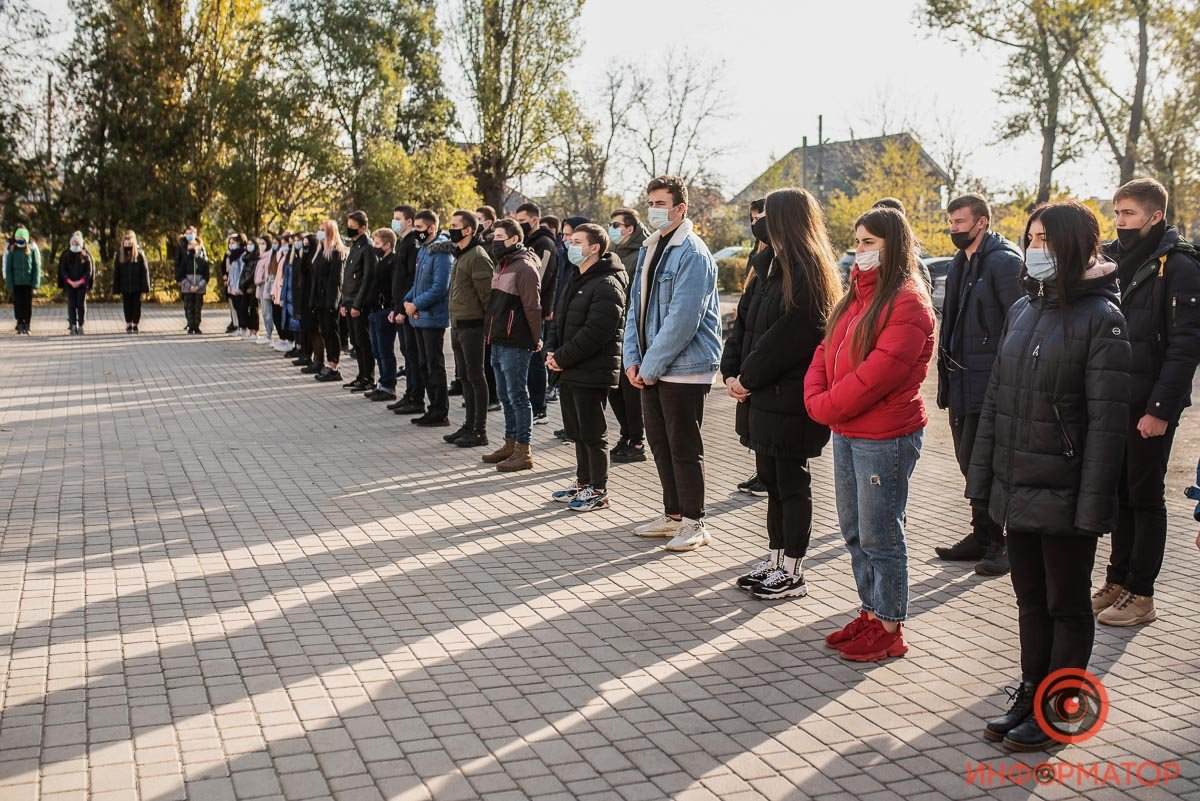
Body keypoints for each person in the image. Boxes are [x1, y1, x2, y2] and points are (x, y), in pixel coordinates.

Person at [967, 201, 1131, 751]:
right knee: (1029, 599)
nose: (1036, 250)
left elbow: (1108, 428)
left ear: (1080, 247)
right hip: (1019, 486)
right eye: (1031, 238)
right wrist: (985, 480)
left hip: (1065, 492)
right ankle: (1032, 689)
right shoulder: (1024, 309)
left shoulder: (1103, 319)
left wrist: (1091, 510)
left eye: (1046, 240)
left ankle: (1061, 704)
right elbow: (997, 402)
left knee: (1066, 602)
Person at [804, 206, 935, 662]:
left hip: (884, 435)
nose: (859, 251)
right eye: (857, 241)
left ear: (892, 246)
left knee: (881, 532)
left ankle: (890, 625)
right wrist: (819, 396)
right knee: (855, 529)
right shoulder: (856, 297)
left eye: (869, 243)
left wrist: (823, 405)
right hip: (846, 429)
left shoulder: (907, 302)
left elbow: (877, 376)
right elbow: (825, 350)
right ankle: (870, 610)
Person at [1092, 178, 1200, 626]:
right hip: (1116, 400)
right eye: (1116, 214)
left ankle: (1141, 594)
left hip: (1150, 405)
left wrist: (1160, 410)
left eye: (1129, 214)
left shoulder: (1179, 266)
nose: (1119, 223)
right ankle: (1118, 579)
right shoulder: (1113, 259)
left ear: (1155, 216)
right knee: (1119, 494)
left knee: (1145, 495)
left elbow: (1185, 347)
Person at [722, 188, 838, 599]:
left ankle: (793, 569)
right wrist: (731, 371)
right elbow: (744, 322)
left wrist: (748, 377)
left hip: (787, 397)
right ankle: (774, 558)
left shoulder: (807, 269)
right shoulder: (767, 263)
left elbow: (791, 336)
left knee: (791, 482)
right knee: (770, 481)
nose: (760, 220)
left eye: (768, 213)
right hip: (758, 395)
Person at [624, 176, 723, 552]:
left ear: (681, 208)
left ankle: (696, 521)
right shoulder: (653, 248)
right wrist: (634, 360)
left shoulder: (693, 253)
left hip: (684, 368)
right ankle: (674, 514)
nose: (654, 209)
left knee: (684, 447)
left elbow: (684, 319)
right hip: (650, 367)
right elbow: (637, 309)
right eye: (650, 201)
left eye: (661, 202)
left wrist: (649, 366)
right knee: (660, 445)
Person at [934, 193, 1024, 576]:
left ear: (982, 222)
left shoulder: (1004, 263)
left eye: (960, 222)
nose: (954, 228)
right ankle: (981, 534)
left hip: (990, 383)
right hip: (961, 380)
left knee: (990, 464)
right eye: (951, 222)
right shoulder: (960, 262)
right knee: (968, 460)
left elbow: (1018, 324)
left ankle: (1001, 543)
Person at [546, 223, 628, 511]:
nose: (570, 244)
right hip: (568, 368)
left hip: (592, 370)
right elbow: (559, 318)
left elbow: (597, 331)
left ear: (595, 248)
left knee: (593, 434)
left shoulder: (607, 284)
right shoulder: (576, 278)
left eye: (577, 241)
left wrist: (563, 357)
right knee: (576, 431)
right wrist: (552, 350)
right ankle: (583, 482)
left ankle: (599, 489)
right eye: (570, 239)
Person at [482, 218, 543, 472]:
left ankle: (523, 449)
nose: (495, 241)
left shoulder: (525, 267)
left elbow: (533, 306)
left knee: (518, 396)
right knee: (505, 395)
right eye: (493, 236)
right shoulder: (503, 264)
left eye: (499, 236)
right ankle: (509, 443)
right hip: (498, 339)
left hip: (516, 342)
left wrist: (536, 337)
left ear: (515, 238)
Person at [445, 210, 495, 447]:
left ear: (468, 230)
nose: (451, 228)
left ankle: (480, 431)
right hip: (458, 325)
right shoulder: (461, 254)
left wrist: (488, 328)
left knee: (476, 376)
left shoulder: (477, 255)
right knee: (464, 376)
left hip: (473, 327)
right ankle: (468, 425)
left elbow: (487, 297)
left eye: (455, 225)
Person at [605, 208, 649, 462]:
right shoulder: (614, 251)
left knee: (629, 390)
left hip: (630, 330)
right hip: (613, 327)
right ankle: (626, 433)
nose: (612, 228)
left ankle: (637, 441)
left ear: (629, 229)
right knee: (614, 388)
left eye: (616, 224)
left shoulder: (642, 251)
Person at [403, 210, 453, 426]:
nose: (416, 232)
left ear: (432, 228)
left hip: (433, 317)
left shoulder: (440, 252)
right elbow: (418, 283)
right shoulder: (423, 249)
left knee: (434, 365)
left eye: (420, 228)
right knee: (423, 363)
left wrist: (416, 304)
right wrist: (407, 301)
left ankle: (440, 411)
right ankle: (432, 407)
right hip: (419, 316)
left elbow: (440, 287)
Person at [735, 198, 771, 497]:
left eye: (761, 216)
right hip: (751, 358)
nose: (755, 222)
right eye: (753, 218)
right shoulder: (758, 255)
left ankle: (765, 476)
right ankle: (761, 472)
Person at [513, 202, 558, 425]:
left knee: (535, 359)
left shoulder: (544, 243)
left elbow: (541, 277)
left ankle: (540, 408)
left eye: (521, 219)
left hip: (535, 309)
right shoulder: (526, 242)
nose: (518, 223)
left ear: (532, 220)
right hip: (522, 308)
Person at [388, 206, 424, 414]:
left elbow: (411, 280)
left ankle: (416, 397)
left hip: (409, 308)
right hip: (400, 306)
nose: (395, 222)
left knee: (413, 354)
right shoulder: (403, 242)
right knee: (406, 353)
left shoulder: (413, 243)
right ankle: (409, 393)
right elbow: (398, 280)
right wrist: (395, 307)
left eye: (398, 219)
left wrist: (403, 308)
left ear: (409, 221)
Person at [341, 210, 379, 392]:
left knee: (363, 341)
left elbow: (367, 278)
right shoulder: (355, 246)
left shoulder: (367, 247)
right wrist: (344, 302)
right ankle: (360, 375)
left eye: (353, 227)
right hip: (348, 301)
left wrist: (357, 304)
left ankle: (368, 378)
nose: (349, 230)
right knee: (355, 341)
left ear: (363, 227)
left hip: (359, 303)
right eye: (348, 226)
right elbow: (347, 277)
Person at [363, 228, 400, 402]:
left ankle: (388, 385)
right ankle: (382, 383)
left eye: (377, 243)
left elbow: (393, 287)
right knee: (377, 351)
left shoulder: (392, 262)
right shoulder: (381, 260)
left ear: (388, 245)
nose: (375, 246)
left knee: (385, 351)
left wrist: (392, 307)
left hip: (385, 310)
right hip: (375, 310)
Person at [312, 220, 346, 382]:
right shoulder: (320, 251)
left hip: (329, 301)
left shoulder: (336, 252)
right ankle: (329, 363)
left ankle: (334, 366)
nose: (319, 233)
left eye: (322, 230)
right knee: (325, 332)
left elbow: (336, 281)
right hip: (319, 299)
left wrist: (332, 302)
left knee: (332, 332)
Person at [294, 233, 324, 372]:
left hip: (313, 300)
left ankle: (319, 360)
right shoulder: (305, 259)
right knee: (307, 330)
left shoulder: (316, 260)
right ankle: (307, 355)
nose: (305, 246)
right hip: (304, 299)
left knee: (315, 331)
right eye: (303, 244)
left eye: (307, 244)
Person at [4, 227, 41, 335]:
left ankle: (27, 324)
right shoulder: (12, 250)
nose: (20, 240)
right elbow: (8, 268)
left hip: (28, 283)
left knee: (27, 304)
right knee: (18, 304)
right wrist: (10, 283)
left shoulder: (31, 250)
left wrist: (35, 283)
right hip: (17, 283)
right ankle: (19, 323)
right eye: (18, 238)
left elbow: (36, 267)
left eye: (22, 238)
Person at [112, 230, 150, 333]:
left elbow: (144, 271)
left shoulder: (140, 254)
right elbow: (116, 272)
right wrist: (116, 287)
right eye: (126, 243)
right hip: (125, 285)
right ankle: (128, 323)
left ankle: (135, 324)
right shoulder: (119, 254)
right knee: (127, 305)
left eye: (130, 243)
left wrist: (145, 287)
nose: (128, 245)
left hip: (137, 285)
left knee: (136, 305)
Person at [58, 231, 94, 335]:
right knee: (71, 305)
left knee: (81, 304)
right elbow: (63, 270)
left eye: (77, 243)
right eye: (73, 243)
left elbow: (89, 271)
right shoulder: (66, 256)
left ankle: (81, 325)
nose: (75, 245)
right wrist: (69, 281)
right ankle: (73, 325)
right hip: (70, 285)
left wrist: (80, 281)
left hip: (82, 285)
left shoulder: (86, 256)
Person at [176, 233, 209, 334]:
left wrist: (199, 286)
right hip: (187, 288)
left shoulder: (203, 261)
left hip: (199, 289)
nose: (193, 247)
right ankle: (190, 325)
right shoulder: (185, 260)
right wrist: (188, 285)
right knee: (189, 307)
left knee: (197, 307)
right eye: (190, 245)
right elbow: (181, 274)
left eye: (195, 245)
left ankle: (197, 325)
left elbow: (206, 276)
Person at [254, 234, 279, 345]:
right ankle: (268, 333)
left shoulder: (269, 256)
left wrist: (264, 280)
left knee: (267, 312)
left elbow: (269, 272)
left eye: (263, 243)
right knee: (264, 312)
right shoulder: (261, 256)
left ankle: (269, 334)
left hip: (267, 286)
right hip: (260, 286)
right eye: (259, 243)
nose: (261, 245)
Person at [222, 234, 249, 337]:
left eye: (234, 242)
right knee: (236, 307)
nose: (231, 245)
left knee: (242, 308)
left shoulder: (242, 254)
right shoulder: (231, 255)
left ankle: (245, 328)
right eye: (230, 242)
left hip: (239, 285)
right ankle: (240, 327)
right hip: (232, 285)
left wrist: (239, 284)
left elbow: (241, 270)